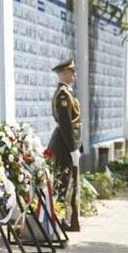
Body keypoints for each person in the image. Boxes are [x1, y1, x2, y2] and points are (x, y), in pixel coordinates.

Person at [47, 59, 81, 232]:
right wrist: (73, 148)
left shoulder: (67, 93)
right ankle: (59, 221)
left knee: (66, 183)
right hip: (64, 145)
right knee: (62, 184)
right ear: (64, 73)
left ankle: (63, 219)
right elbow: (66, 124)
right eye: (72, 72)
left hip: (67, 144)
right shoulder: (63, 95)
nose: (74, 75)